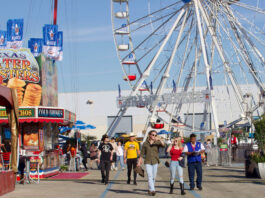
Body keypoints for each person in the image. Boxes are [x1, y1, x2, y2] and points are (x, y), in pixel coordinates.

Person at [138, 130, 165, 196]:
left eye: (155, 135)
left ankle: (150, 189)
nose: (154, 136)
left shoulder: (157, 142)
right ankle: (153, 190)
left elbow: (163, 145)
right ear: (149, 135)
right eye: (153, 135)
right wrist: (139, 161)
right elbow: (142, 153)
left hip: (155, 161)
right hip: (147, 161)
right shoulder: (145, 143)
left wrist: (160, 139)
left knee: (154, 177)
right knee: (150, 176)